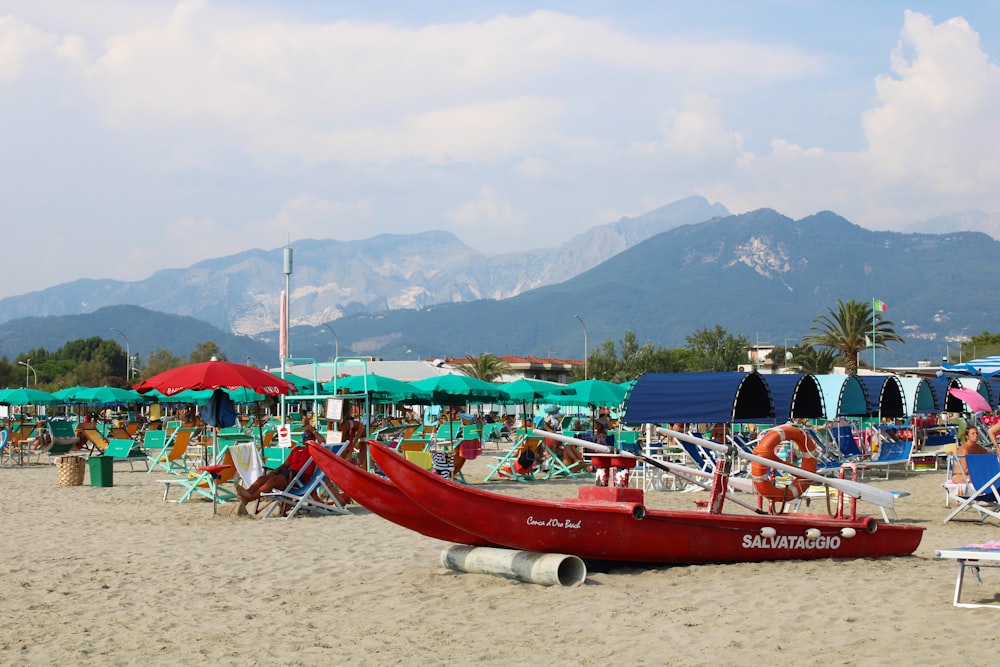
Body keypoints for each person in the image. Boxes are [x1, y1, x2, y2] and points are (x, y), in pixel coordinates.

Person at [236, 443, 316, 503]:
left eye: (308, 436)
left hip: (299, 477)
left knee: (272, 481)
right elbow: (285, 465)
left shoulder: (315, 450)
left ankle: (250, 498)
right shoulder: (296, 449)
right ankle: (248, 493)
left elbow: (323, 442)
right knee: (262, 478)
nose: (305, 437)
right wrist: (276, 470)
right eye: (304, 435)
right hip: (288, 473)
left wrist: (314, 431)